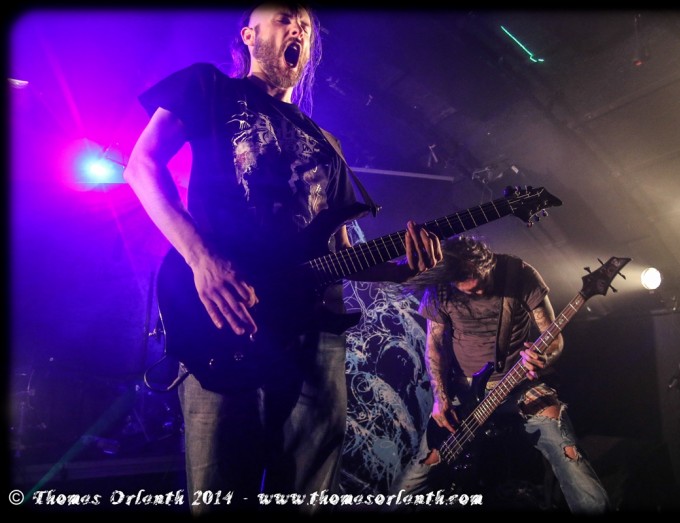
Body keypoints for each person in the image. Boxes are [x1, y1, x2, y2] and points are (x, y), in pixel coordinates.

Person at [123, 2, 442, 514]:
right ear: (248, 35)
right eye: (284, 17)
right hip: (230, 314)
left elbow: (343, 255)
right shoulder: (208, 87)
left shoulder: (328, 145)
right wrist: (202, 259)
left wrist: (405, 268)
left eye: (306, 25)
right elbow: (142, 166)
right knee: (221, 493)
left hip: (314, 334)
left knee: (306, 496)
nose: (298, 27)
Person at [389, 236, 611, 514]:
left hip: (520, 383)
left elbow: (554, 339)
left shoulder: (521, 275)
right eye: (469, 291)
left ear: (488, 264)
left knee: (566, 449)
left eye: (482, 284)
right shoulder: (440, 285)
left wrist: (544, 358)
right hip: (466, 392)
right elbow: (434, 345)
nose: (479, 292)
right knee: (417, 475)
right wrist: (440, 397)